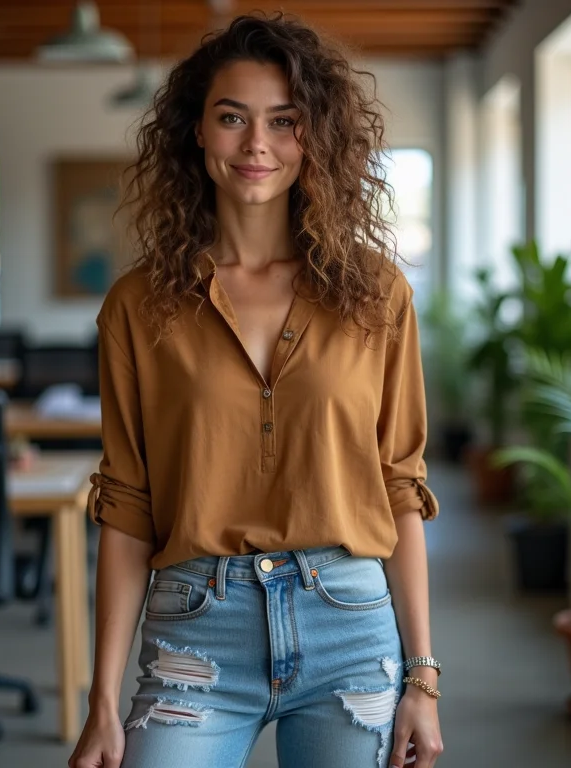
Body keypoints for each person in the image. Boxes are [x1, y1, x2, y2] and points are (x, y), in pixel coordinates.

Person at [69, 12, 443, 768]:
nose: (256, 144)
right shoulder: (139, 305)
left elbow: (399, 485)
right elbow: (128, 502)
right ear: (197, 131)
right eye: (232, 117)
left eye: (284, 120)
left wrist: (422, 679)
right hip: (195, 631)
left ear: (315, 136)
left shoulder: (377, 294)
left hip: (349, 625)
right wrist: (102, 701)